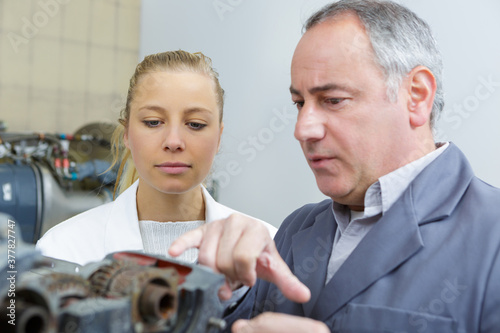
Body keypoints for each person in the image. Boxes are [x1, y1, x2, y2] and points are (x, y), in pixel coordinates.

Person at [168, 1, 500, 332]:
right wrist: (226, 291)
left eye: (333, 100)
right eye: (299, 103)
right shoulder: (297, 229)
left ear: (416, 96)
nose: (302, 129)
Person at [36, 50, 277, 266]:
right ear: (127, 134)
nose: (173, 142)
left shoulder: (269, 247)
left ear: (219, 137)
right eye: (153, 122)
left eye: (195, 124)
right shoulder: (64, 250)